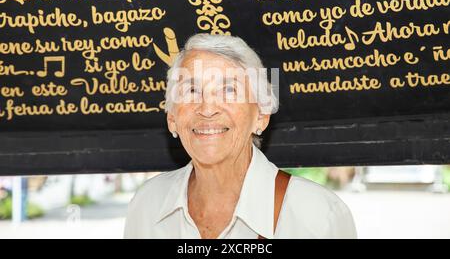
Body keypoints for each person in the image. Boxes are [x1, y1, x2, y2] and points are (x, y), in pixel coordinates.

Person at [124, 33, 357, 239]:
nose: (207, 109)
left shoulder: (319, 217)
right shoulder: (147, 206)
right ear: (172, 118)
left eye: (229, 90)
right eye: (192, 91)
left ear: (261, 116)